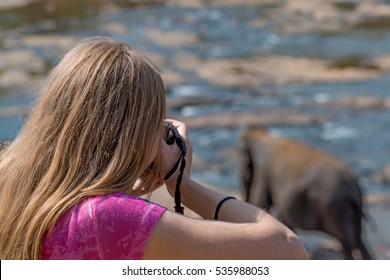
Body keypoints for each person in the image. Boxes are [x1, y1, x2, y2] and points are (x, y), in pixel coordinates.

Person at [0, 37, 308, 260]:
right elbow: (286, 248)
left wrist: (123, 189)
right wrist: (182, 183)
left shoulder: (11, 181)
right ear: (138, 133)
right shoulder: (109, 218)